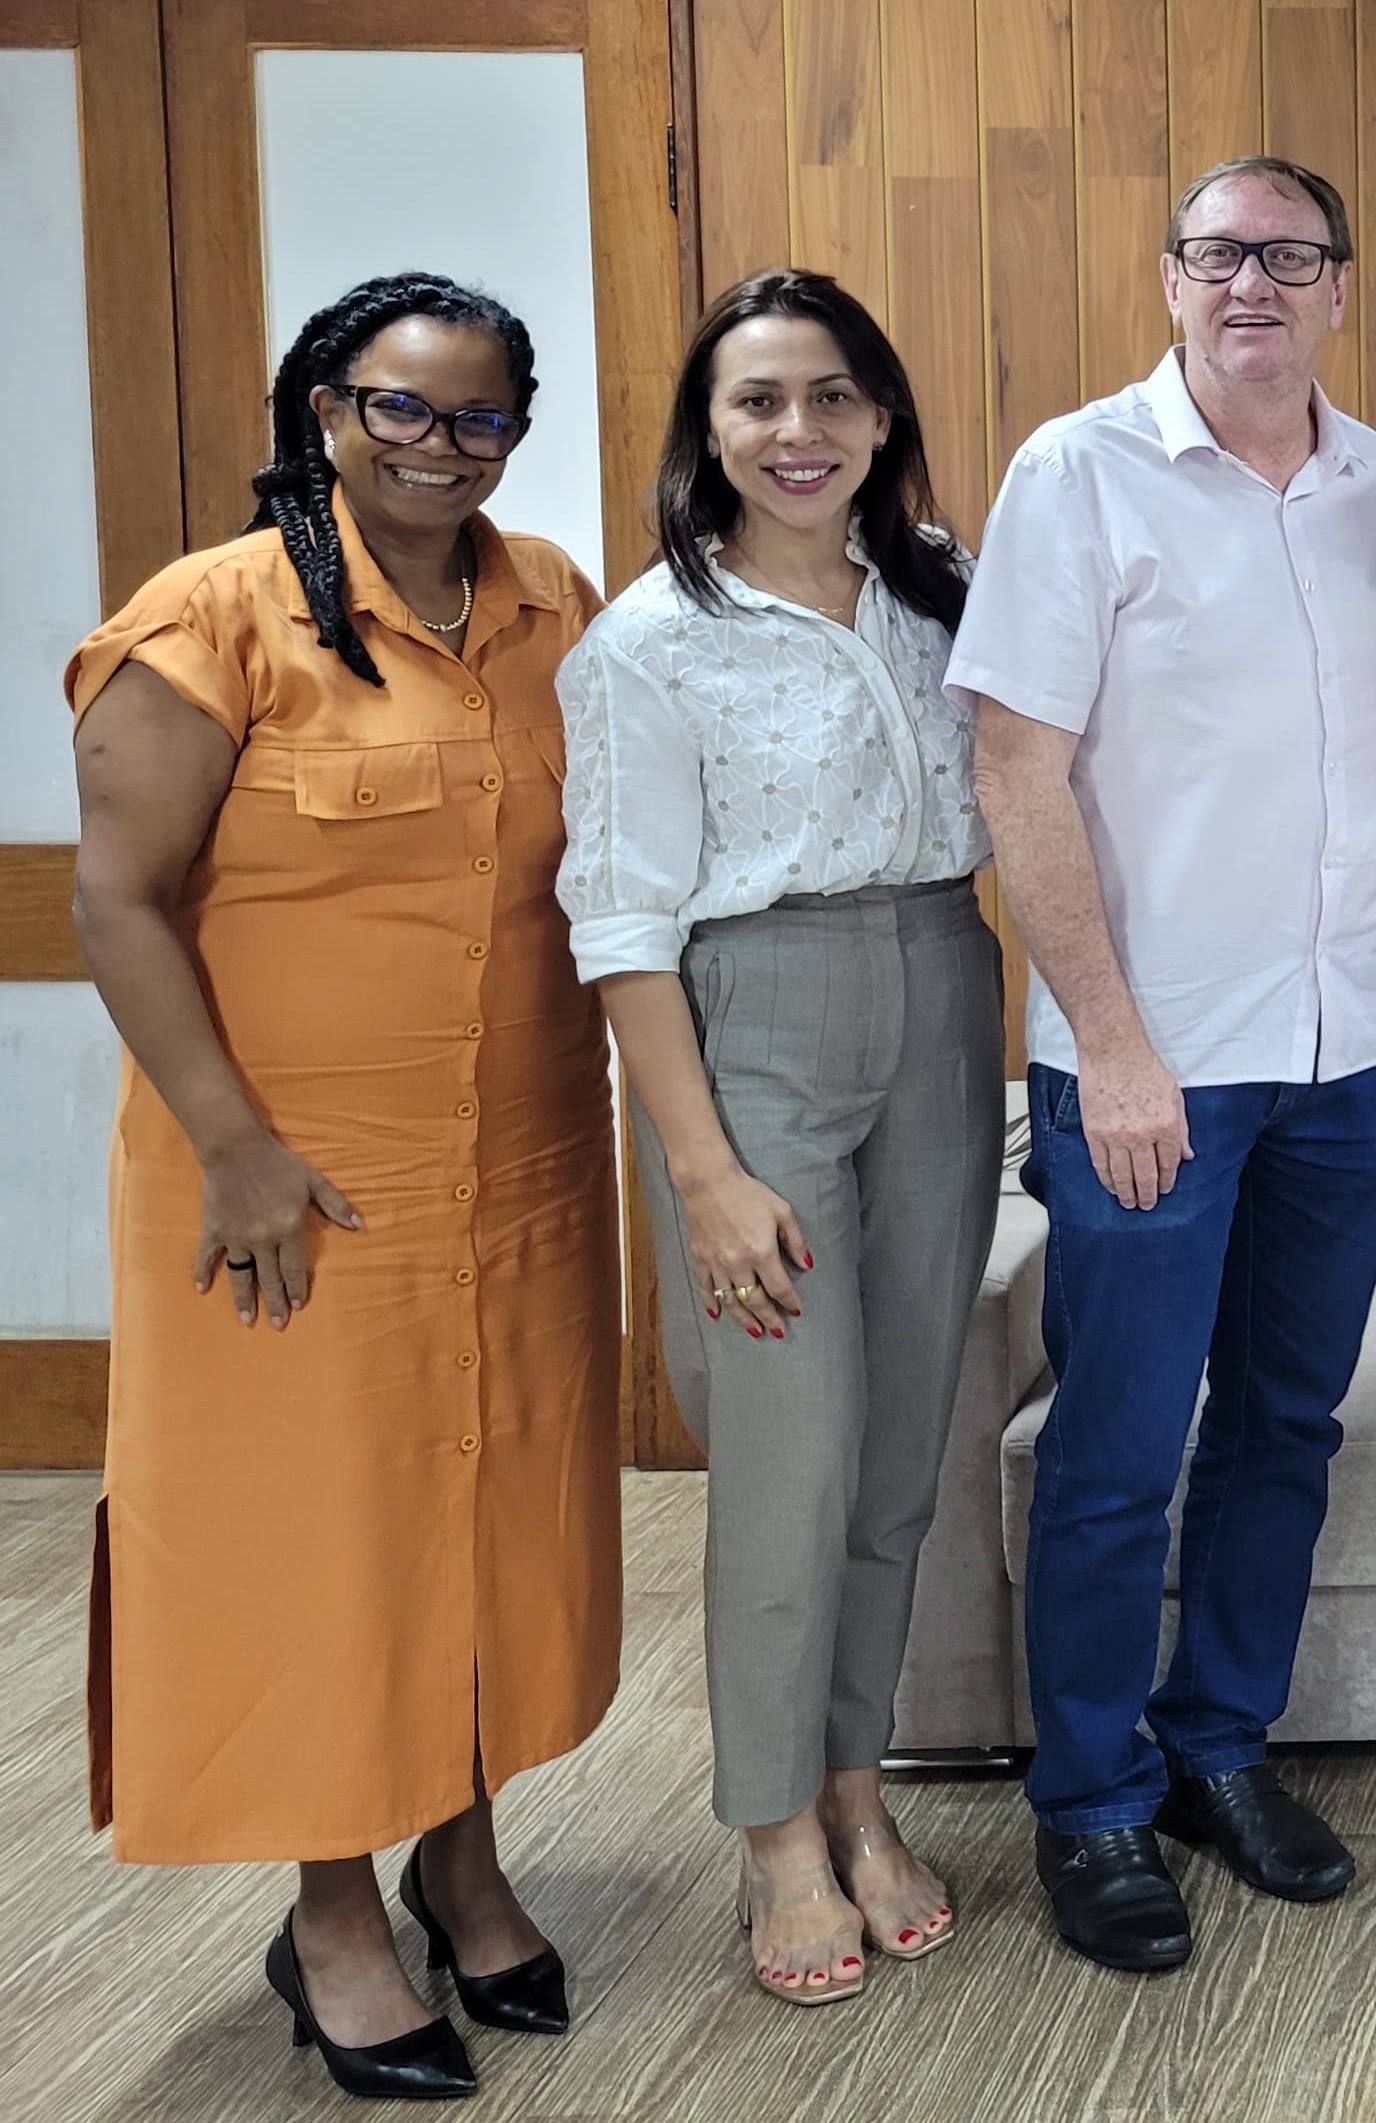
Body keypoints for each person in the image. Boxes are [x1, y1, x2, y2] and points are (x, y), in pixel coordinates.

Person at [67, 273, 610, 2100]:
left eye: (478, 418)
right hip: (290, 1185)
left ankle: (460, 1857)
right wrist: (232, 1147)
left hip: (519, 1159)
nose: (438, 449)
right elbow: (115, 900)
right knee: (328, 1551)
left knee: (482, 1521)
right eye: (399, 408)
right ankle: (332, 1917)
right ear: (323, 410)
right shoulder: (210, 622)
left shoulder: (548, 601)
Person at [955, 154, 1376, 1973]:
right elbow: (1018, 774)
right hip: (1153, 1068)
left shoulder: (1375, 480)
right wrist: (1117, 1045)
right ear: (1170, 279)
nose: (1254, 284)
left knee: (1284, 1427)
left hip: (1356, 1051)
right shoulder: (1077, 477)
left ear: (1336, 287)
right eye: (1220, 255)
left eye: (1289, 258)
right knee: (1117, 1445)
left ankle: (1214, 1748)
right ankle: (1089, 1801)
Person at [557, 269, 999, 2003]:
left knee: (897, 1457)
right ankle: (766, 1836)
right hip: (759, 1034)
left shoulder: (941, 595)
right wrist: (703, 1167)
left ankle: (854, 1789)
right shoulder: (652, 642)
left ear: (881, 415)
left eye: (832, 397)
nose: (798, 433)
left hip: (949, 997)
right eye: (759, 402)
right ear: (711, 431)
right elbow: (620, 922)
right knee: (788, 1461)